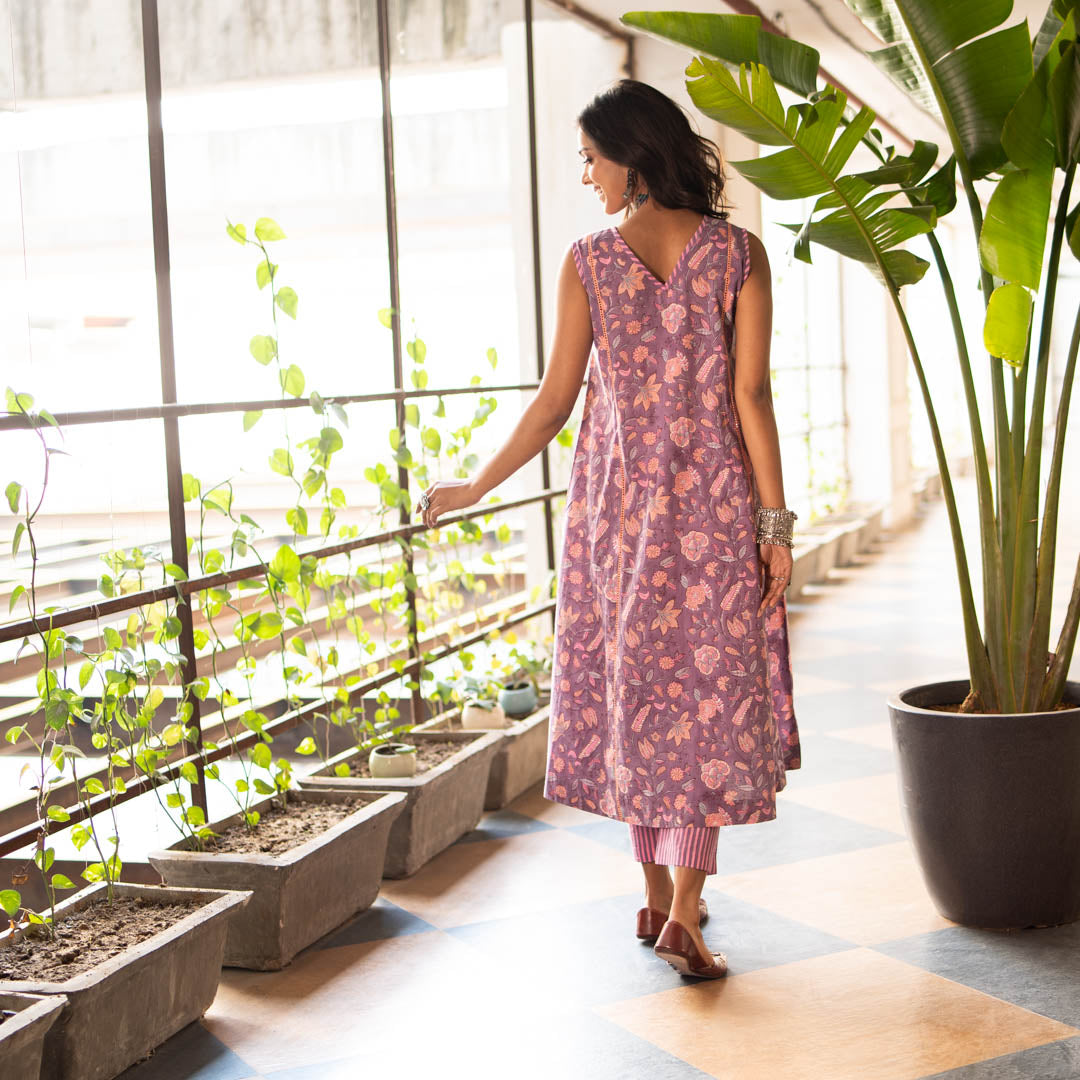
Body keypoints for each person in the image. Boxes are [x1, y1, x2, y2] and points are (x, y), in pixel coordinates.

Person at [415, 78, 801, 979]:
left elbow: (555, 402)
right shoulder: (739, 254)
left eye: (591, 158)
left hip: (617, 518)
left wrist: (476, 483)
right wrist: (774, 524)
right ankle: (687, 906)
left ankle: (663, 900)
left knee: (642, 695)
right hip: (713, 515)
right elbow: (752, 397)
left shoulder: (589, 261)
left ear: (630, 154)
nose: (586, 176)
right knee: (707, 703)